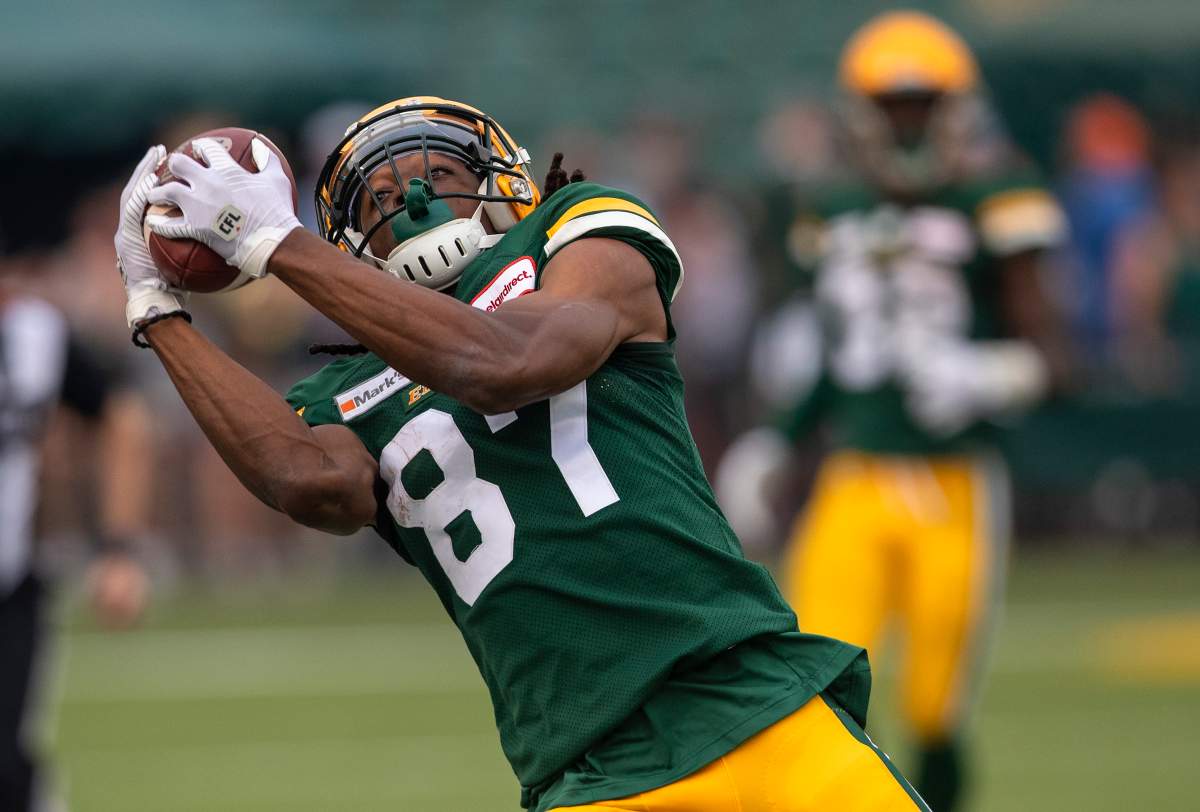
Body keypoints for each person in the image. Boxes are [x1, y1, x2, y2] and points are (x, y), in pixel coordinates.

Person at [114, 96, 928, 811]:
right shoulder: (349, 386)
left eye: (436, 173)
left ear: (503, 174)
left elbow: (504, 365)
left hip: (749, 699)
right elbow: (309, 483)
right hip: (587, 769)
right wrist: (156, 311)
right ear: (355, 240)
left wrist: (280, 244)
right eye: (384, 199)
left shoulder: (576, 231)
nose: (416, 202)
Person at [717, 14, 1068, 811]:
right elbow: (835, 357)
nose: (907, 121)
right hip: (855, 475)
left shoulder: (999, 194)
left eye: (922, 103)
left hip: (957, 483)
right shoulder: (831, 207)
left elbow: (1055, 355)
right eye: (892, 104)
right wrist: (777, 439)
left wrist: (992, 373)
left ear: (955, 107)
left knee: (936, 708)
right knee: (818, 688)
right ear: (861, 111)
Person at [0, 279, 150, 811]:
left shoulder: (34, 333)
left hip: (10, 586)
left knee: (8, 769)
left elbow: (119, 416)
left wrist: (117, 549)